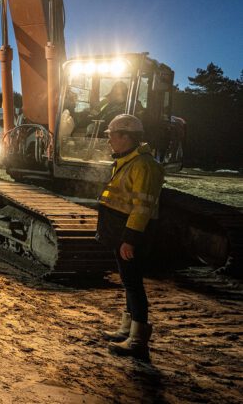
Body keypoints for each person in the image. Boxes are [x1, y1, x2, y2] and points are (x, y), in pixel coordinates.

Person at [95, 114, 164, 361]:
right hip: (121, 233)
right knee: (127, 281)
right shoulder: (128, 160)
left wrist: (130, 239)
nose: (109, 140)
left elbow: (141, 208)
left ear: (126, 136)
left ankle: (137, 339)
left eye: (112, 135)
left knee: (133, 283)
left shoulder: (143, 166)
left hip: (131, 235)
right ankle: (127, 329)